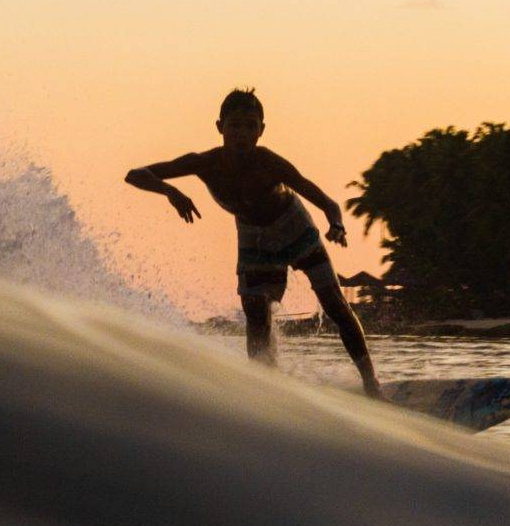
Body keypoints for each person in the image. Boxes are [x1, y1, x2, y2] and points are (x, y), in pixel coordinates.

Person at [126, 89, 381, 398]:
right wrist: (170, 192)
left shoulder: (269, 162)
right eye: (234, 126)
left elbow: (327, 202)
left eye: (250, 126)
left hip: (294, 225)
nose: (242, 134)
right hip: (253, 238)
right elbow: (135, 174)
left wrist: (336, 225)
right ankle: (266, 391)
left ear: (261, 130)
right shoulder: (205, 163)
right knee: (256, 316)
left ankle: (372, 385)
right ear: (220, 127)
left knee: (335, 305)